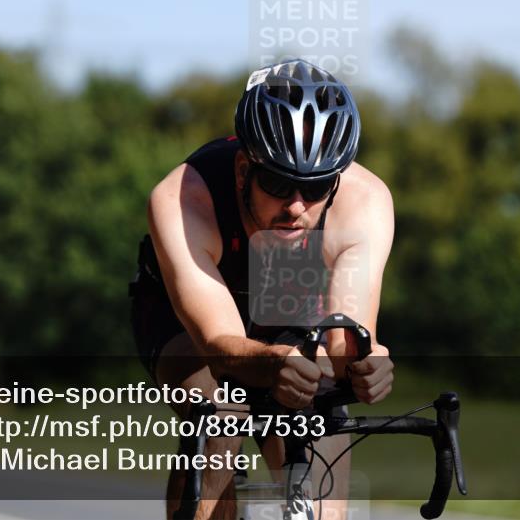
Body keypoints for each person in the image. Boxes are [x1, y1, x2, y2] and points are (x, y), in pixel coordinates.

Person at [130, 59, 395, 520]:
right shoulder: (183, 199)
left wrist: (366, 365)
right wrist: (272, 364)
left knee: (321, 443)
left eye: (314, 188)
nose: (296, 206)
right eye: (276, 183)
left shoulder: (365, 202)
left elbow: (345, 340)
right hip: (190, 322)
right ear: (241, 171)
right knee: (220, 417)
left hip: (293, 310)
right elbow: (219, 347)